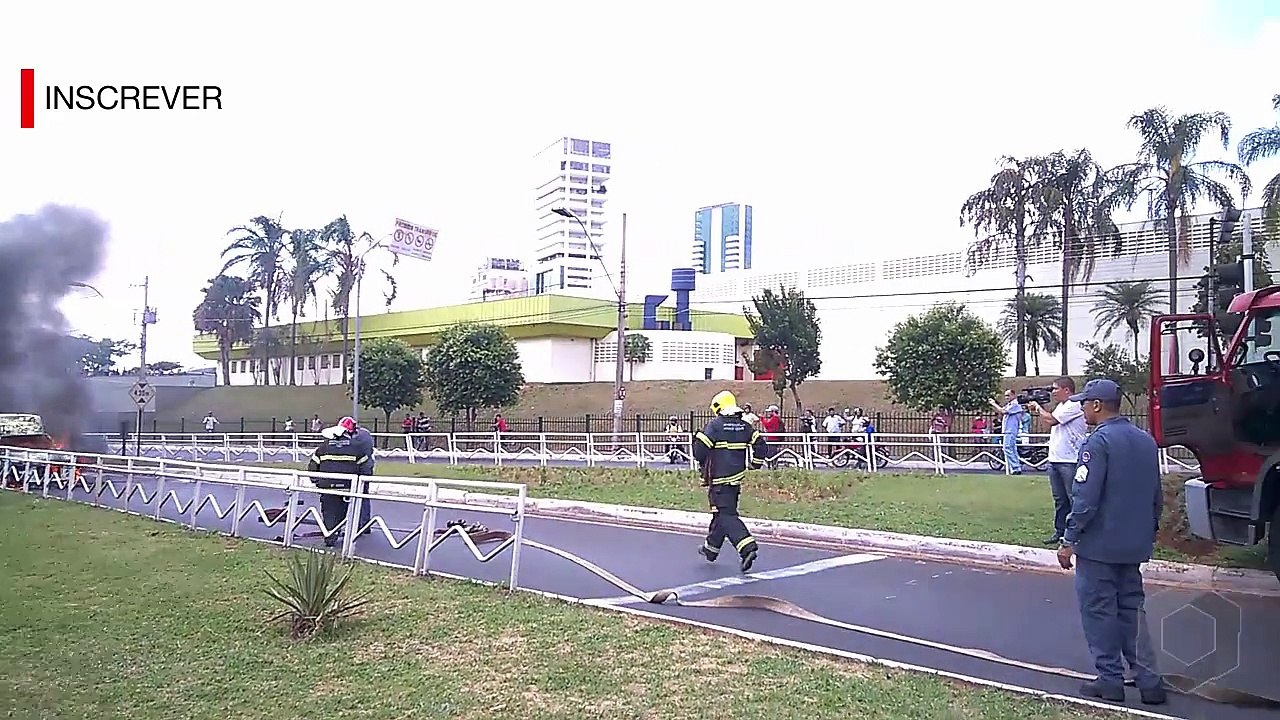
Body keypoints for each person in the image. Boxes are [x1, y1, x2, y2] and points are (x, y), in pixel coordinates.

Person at [1057, 379, 1166, 706]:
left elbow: (1085, 499)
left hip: (1099, 547)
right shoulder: (1146, 441)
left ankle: (1110, 680)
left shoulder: (1097, 443)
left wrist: (1069, 539)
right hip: (1133, 546)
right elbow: (1157, 497)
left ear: (1097, 405)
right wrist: (1148, 532)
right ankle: (1149, 682)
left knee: (1099, 612)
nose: (1082, 409)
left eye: (1084, 403)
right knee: (1132, 611)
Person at [693, 390, 769, 572]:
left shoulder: (715, 426)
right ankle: (711, 549)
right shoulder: (744, 426)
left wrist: (699, 442)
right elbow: (761, 445)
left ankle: (747, 548)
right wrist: (755, 464)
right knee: (720, 514)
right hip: (735, 479)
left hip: (719, 480)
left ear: (718, 407)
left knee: (726, 516)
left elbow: (699, 452)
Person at [1028, 377, 1087, 545]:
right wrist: (1040, 409)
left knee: (1073, 498)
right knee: (1060, 500)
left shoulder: (1073, 405)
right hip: (1055, 459)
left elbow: (1052, 420)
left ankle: (1077, 534)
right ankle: (1060, 531)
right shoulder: (1061, 406)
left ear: (1066, 390)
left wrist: (1038, 407)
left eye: (1055, 389)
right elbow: (1049, 423)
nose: (1053, 392)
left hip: (1069, 460)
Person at [306, 418, 375, 547]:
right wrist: (361, 483)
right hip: (347, 488)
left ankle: (330, 536)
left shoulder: (323, 448)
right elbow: (366, 468)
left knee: (329, 513)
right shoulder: (357, 448)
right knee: (342, 513)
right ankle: (345, 532)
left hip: (327, 489)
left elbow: (312, 467)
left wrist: (317, 482)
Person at [987, 390, 1025, 475]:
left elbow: (1003, 411)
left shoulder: (1015, 405)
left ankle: (1015, 467)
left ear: (1013, 395)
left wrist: (993, 403)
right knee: (1012, 449)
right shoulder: (1009, 405)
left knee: (1007, 448)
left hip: (1011, 430)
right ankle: (1016, 468)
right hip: (1008, 430)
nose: (1006, 397)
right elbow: (1001, 410)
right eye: (1005, 396)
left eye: (1008, 395)